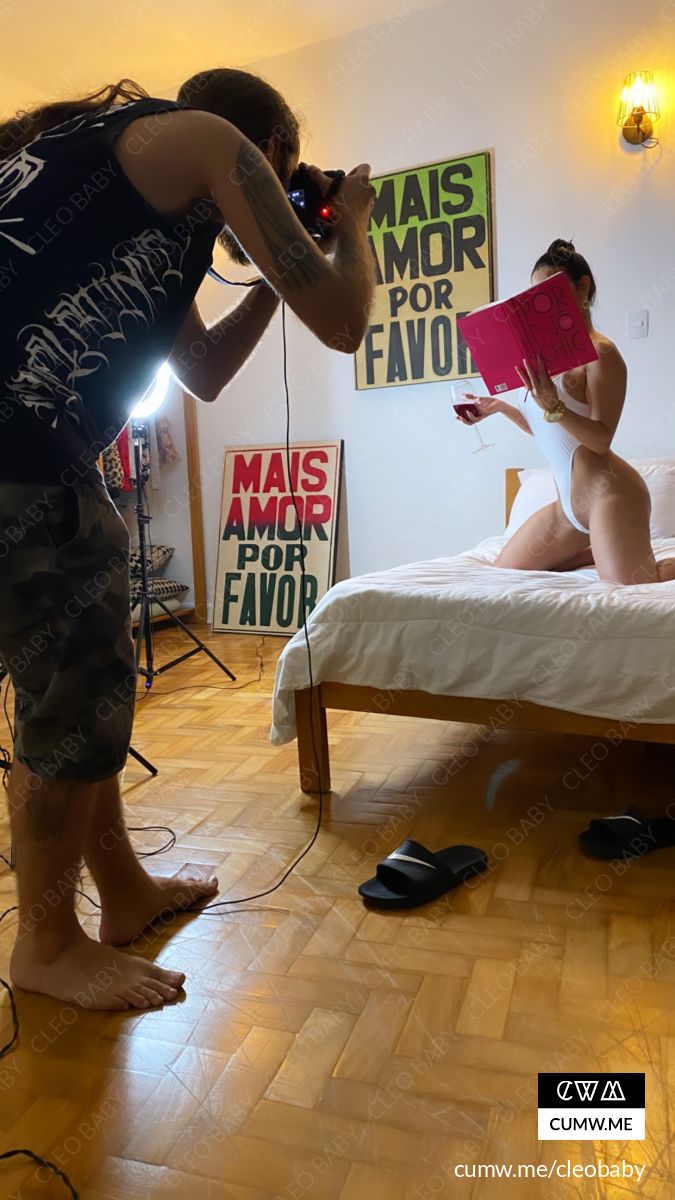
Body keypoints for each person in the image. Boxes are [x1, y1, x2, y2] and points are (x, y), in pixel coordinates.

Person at [0, 69, 375, 1010]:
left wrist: (275, 279)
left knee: (84, 688)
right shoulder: (209, 141)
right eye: (279, 178)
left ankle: (123, 891)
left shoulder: (121, 171)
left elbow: (200, 370)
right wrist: (353, 228)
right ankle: (47, 945)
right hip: (22, 456)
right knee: (66, 704)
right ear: (270, 147)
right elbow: (344, 321)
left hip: (37, 458)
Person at [455, 237, 675, 585]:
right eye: (533, 295)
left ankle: (641, 558)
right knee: (501, 575)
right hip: (566, 509)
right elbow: (551, 429)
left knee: (629, 588)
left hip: (609, 496)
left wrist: (554, 405)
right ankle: (594, 550)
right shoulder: (545, 361)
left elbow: (600, 440)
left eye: (548, 292)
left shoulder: (602, 354)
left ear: (582, 287)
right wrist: (497, 407)